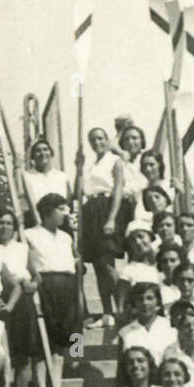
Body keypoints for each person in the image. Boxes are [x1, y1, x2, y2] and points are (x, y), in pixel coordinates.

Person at [25, 192, 81, 387]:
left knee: (66, 337)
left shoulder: (66, 237)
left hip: (67, 284)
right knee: (42, 339)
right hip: (45, 284)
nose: (65, 214)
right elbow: (28, 261)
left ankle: (57, 383)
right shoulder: (30, 234)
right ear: (48, 212)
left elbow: (74, 259)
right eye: (61, 209)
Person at [0, 207, 37, 387]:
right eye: (1, 222)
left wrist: (33, 285)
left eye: (9, 223)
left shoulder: (23, 248)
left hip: (23, 298)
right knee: (1, 352)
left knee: (24, 352)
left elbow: (37, 277)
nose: (5, 227)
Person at [77, 126, 127, 326]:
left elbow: (117, 190)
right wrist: (78, 167)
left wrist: (112, 218)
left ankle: (122, 309)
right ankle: (107, 313)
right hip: (91, 210)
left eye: (100, 138)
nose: (97, 143)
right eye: (93, 139)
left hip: (107, 208)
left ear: (107, 140)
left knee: (107, 263)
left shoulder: (115, 161)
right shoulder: (90, 165)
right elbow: (79, 190)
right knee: (98, 265)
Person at [116, 281, 176, 366]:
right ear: (134, 303)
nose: (145, 303)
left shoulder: (170, 327)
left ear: (158, 302)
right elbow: (121, 368)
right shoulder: (125, 333)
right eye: (140, 299)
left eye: (149, 298)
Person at [20, 138, 72, 227]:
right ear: (33, 156)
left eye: (45, 149)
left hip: (60, 221)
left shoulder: (62, 176)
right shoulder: (26, 176)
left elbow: (69, 200)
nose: (42, 153)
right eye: (38, 151)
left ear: (51, 153)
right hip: (36, 220)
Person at [115, 223, 161, 313]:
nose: (138, 242)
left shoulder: (164, 262)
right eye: (133, 240)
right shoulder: (128, 271)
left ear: (151, 238)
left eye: (141, 236)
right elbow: (121, 307)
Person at [156, 240, 186, 312]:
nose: (169, 265)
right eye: (165, 261)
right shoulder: (157, 289)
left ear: (181, 261)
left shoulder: (191, 288)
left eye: (173, 260)